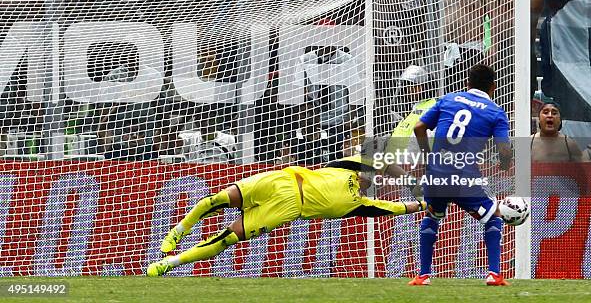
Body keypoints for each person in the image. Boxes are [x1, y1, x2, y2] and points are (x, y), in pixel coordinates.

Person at [146, 157, 428, 276]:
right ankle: (179, 231)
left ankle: (170, 263)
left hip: (288, 208)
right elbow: (385, 164)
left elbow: (396, 209)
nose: (369, 177)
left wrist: (423, 203)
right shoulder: (344, 167)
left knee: (227, 238)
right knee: (216, 199)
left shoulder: (360, 204)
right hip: (280, 180)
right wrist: (410, 181)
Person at [409, 64, 513, 286]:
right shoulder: (495, 111)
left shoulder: (448, 99)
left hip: (436, 173)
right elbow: (504, 150)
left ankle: (423, 275)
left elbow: (418, 127)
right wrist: (505, 164)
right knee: (492, 216)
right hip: (463, 176)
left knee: (432, 216)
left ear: (467, 83)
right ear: (493, 87)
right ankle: (494, 274)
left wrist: (429, 157)